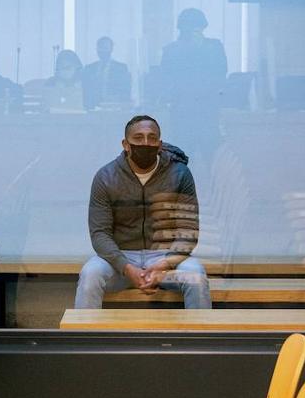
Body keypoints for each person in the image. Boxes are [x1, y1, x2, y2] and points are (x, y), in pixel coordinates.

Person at [75, 115, 210, 309]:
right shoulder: (106, 177)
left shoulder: (180, 174)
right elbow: (100, 234)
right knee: (90, 274)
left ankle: (199, 330)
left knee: (196, 276)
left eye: (152, 138)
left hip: (166, 258)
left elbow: (188, 230)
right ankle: (86, 330)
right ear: (126, 144)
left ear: (160, 145)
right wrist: (127, 268)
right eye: (138, 138)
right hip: (120, 258)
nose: (145, 143)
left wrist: (165, 264)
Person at [159, 9, 227, 163]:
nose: (195, 31)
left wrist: (200, 50)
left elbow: (221, 72)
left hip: (207, 111)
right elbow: (167, 78)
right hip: (182, 112)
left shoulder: (214, 47)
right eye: (190, 28)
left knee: (211, 156)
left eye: (198, 27)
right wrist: (190, 50)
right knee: (182, 157)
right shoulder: (172, 50)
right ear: (182, 29)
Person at [82, 36, 132, 109]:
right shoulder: (89, 68)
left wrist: (116, 98)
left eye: (105, 48)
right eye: (100, 47)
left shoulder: (121, 68)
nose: (102, 50)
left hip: (113, 107)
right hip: (92, 107)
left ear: (111, 49)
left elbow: (125, 90)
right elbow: (86, 89)